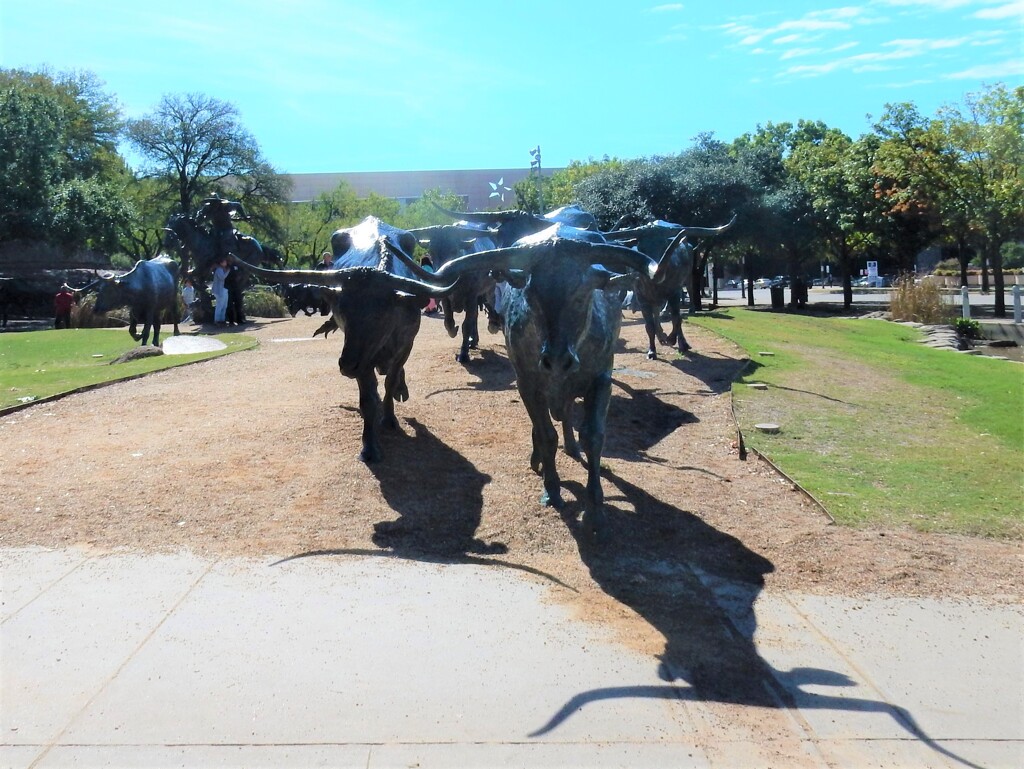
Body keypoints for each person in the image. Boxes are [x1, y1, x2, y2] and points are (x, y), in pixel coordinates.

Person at [194, 193, 250, 264]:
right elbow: (199, 218)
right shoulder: (207, 208)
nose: (214, 204)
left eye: (215, 202)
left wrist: (244, 216)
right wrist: (200, 218)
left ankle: (227, 259)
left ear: (218, 202)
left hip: (227, 229)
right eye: (212, 202)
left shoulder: (226, 206)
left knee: (224, 240)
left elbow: (238, 205)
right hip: (215, 229)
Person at [211, 258, 230, 326]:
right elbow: (222, 277)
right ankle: (217, 320)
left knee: (224, 305)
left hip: (224, 289)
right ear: (221, 263)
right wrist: (228, 271)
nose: (226, 263)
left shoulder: (223, 269)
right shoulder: (219, 269)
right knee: (219, 305)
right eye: (224, 262)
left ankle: (222, 320)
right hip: (219, 290)